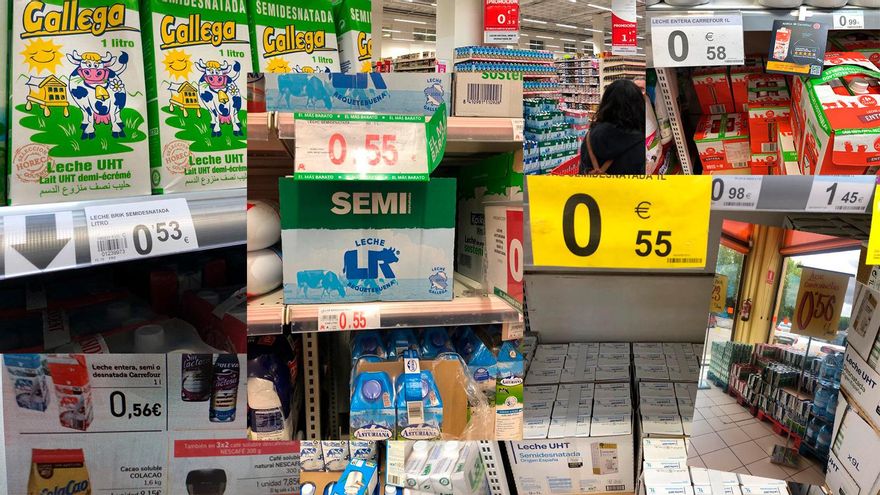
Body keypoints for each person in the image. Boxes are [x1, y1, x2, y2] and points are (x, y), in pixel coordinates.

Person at [579, 79, 646, 175]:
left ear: (606, 103)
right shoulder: (642, 142)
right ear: (639, 105)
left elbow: (582, 170)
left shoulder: (589, 136)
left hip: (594, 189)